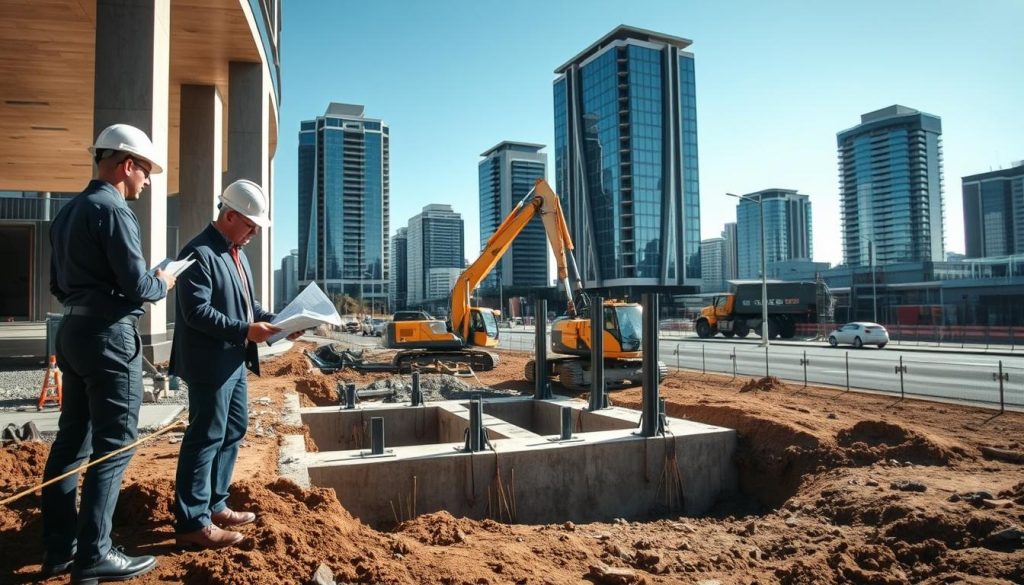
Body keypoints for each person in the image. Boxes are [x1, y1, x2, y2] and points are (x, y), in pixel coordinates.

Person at [42, 123, 175, 582]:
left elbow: (57, 285)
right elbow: (139, 285)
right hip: (108, 338)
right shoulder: (114, 211)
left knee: (70, 442)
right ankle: (95, 553)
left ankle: (61, 548)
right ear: (126, 165)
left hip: (73, 331)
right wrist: (164, 281)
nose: (147, 181)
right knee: (113, 447)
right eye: (145, 172)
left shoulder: (68, 211)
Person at [170, 179, 298, 548]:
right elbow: (196, 313)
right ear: (229, 216)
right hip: (210, 364)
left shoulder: (234, 254)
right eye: (251, 225)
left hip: (233, 362)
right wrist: (245, 330)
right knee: (205, 436)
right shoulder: (199, 253)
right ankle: (193, 522)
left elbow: (249, 308)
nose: (254, 233)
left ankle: (215, 504)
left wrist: (281, 326)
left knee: (232, 431)